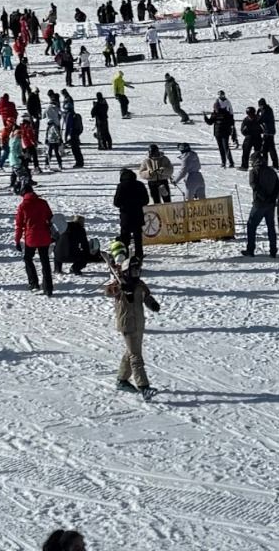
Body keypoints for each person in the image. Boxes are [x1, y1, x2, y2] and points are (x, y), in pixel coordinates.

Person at [106, 251, 160, 394]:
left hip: (139, 323)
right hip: (127, 324)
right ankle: (144, 386)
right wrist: (120, 288)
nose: (136, 274)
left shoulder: (139, 284)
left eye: (138, 271)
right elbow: (108, 292)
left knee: (130, 352)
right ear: (126, 271)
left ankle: (122, 380)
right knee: (136, 356)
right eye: (134, 271)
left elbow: (146, 296)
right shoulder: (119, 283)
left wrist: (152, 304)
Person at [14, 182, 55, 296]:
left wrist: (17, 240)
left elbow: (19, 225)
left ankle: (34, 283)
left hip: (31, 237)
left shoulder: (23, 206)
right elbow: (51, 218)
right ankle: (48, 288)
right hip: (44, 236)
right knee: (45, 261)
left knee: (28, 258)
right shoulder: (43, 203)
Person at [244, 152, 279, 256]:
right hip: (271, 204)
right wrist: (272, 198)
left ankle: (250, 249)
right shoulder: (271, 171)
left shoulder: (254, 172)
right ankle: (273, 249)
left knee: (251, 225)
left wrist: (264, 197)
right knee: (271, 227)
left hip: (259, 203)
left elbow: (254, 186)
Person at [113, 167, 148, 260]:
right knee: (137, 236)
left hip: (126, 215)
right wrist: (137, 203)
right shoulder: (140, 185)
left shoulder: (121, 186)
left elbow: (116, 202)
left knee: (125, 236)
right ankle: (139, 254)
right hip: (138, 214)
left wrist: (124, 204)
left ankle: (125, 255)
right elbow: (146, 200)